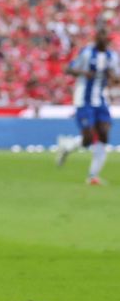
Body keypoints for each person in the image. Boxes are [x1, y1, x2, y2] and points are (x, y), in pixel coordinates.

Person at [56, 27, 119, 184]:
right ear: (96, 39)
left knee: (104, 134)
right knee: (88, 138)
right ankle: (67, 147)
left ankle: (93, 176)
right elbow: (69, 69)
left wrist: (112, 77)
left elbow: (115, 77)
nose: (102, 42)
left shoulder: (112, 56)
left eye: (105, 39)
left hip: (100, 99)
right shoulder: (86, 53)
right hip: (83, 99)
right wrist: (84, 73)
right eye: (100, 38)